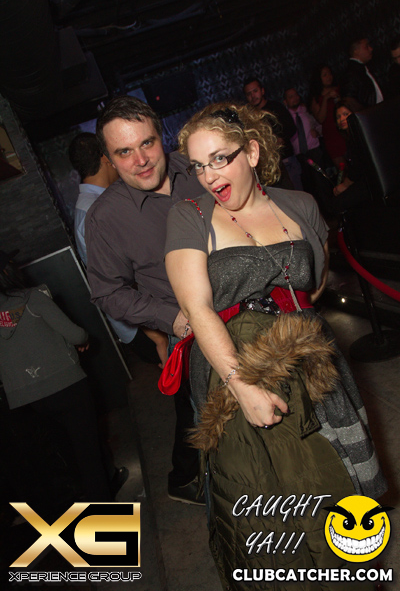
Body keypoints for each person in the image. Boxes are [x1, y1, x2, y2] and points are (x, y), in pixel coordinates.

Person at [164, 103, 386, 590]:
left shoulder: (300, 203)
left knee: (336, 484)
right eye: (198, 165)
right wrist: (242, 386)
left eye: (219, 159)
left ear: (251, 151)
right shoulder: (189, 216)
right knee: (266, 500)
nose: (208, 175)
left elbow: (315, 286)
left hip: (309, 358)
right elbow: (197, 308)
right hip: (234, 368)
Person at [85, 96, 206, 505]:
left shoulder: (199, 167)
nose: (140, 160)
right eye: (124, 152)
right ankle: (189, 479)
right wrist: (170, 319)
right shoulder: (106, 218)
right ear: (109, 159)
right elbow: (107, 292)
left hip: (252, 308)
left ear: (162, 135)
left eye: (147, 143)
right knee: (202, 413)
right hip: (191, 333)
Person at [0, 250, 112, 506]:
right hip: (67, 386)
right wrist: (82, 341)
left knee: (65, 454)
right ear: (6, 272)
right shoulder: (33, 298)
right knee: (88, 454)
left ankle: (81, 505)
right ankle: (104, 518)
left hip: (28, 402)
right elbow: (76, 335)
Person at [69, 132, 167, 367]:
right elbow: (116, 282)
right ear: (105, 158)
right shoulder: (96, 211)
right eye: (120, 152)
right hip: (144, 323)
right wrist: (158, 336)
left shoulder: (97, 203)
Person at [243, 77, 298, 189]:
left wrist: (280, 139)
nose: (253, 96)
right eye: (249, 94)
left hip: (286, 160)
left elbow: (291, 127)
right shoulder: (248, 116)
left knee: (296, 193)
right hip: (266, 167)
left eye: (255, 91)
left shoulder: (276, 107)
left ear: (262, 91)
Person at [308, 64, 346, 168]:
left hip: (345, 130)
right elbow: (320, 119)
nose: (328, 77)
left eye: (329, 74)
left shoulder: (339, 89)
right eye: (325, 75)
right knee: (343, 168)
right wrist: (326, 98)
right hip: (331, 135)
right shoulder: (316, 98)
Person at [341, 38, 384, 110]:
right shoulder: (353, 73)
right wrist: (367, 113)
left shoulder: (360, 69)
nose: (371, 49)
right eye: (366, 47)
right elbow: (349, 100)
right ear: (356, 51)